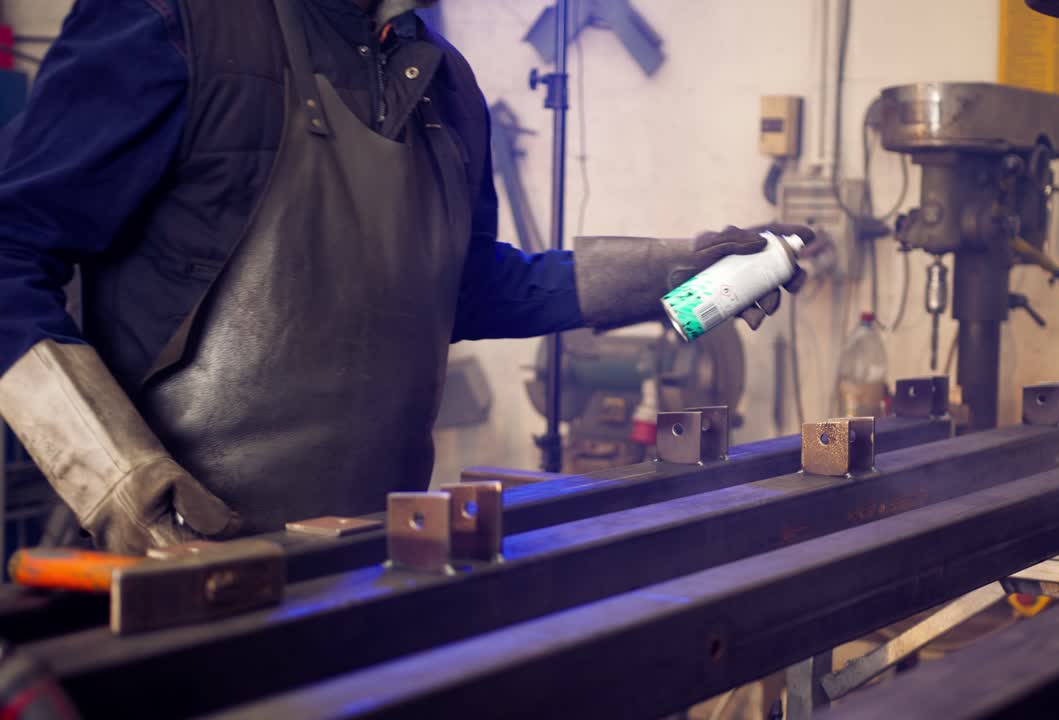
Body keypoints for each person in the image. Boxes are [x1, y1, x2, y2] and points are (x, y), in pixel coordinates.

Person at [0, 0, 811, 554]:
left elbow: (467, 288)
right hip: (167, 580)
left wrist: (671, 273)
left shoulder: (444, 82)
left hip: (369, 573)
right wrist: (119, 484)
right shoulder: (174, 22)